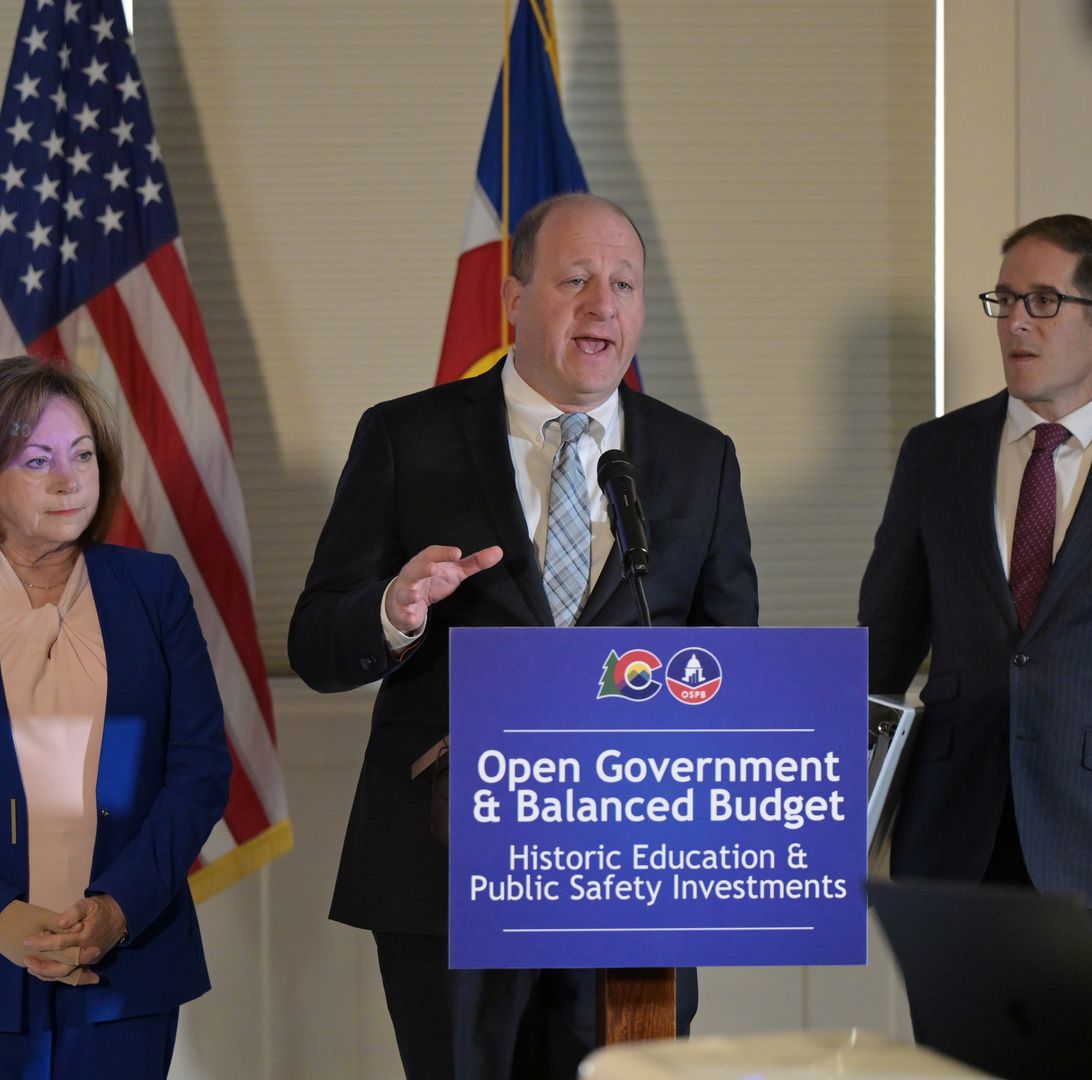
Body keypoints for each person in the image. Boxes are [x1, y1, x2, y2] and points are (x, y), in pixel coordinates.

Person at [290, 193, 759, 1080]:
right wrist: (394, 612)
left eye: (623, 284)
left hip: (634, 881)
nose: (602, 306)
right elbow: (316, 642)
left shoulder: (701, 460)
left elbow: (725, 668)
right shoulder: (406, 438)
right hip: (452, 874)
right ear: (512, 299)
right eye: (575, 279)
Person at [857, 214, 1092, 1068]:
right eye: (1005, 301)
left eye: (1043, 301)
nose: (1015, 323)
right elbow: (877, 656)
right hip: (950, 847)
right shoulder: (936, 454)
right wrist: (829, 822)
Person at [0, 356, 231, 1079]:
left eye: (82, 454)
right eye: (37, 459)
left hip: (129, 966)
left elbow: (200, 766)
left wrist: (120, 907)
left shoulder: (153, 589)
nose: (69, 477)